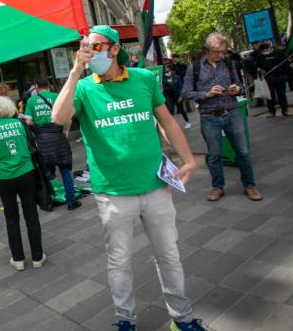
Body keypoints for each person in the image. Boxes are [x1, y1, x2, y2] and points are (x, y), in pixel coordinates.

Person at [52, 25, 206, 331]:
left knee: (169, 256)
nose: (88, 52)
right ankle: (125, 320)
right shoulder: (83, 88)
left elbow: (167, 122)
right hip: (112, 192)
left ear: (113, 48)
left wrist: (188, 160)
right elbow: (58, 118)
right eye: (84, 47)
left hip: (155, 187)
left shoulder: (144, 79)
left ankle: (183, 319)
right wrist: (74, 72)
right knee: (119, 261)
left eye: (95, 46)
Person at [183, 32, 261, 202]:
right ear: (207, 50)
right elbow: (186, 93)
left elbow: (240, 85)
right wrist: (207, 93)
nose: (220, 55)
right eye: (216, 52)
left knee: (243, 151)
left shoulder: (229, 64)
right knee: (214, 154)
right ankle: (218, 187)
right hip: (209, 116)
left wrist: (237, 89)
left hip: (232, 112)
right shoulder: (194, 67)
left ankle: (250, 185)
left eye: (222, 52)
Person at [0, 96, 44, 271]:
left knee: (11, 218)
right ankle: (38, 257)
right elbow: (33, 147)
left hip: (4, 178)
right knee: (31, 214)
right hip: (26, 173)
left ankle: (18, 260)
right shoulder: (21, 124)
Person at [24, 77, 79, 210]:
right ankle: (72, 202)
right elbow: (69, 116)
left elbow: (28, 122)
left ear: (36, 86)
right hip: (58, 137)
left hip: (42, 140)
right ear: (49, 85)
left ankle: (48, 203)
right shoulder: (57, 96)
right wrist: (65, 131)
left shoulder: (31, 101)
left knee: (45, 174)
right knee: (65, 170)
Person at [256, 42, 292, 117]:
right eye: (263, 50)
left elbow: (285, 64)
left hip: (279, 78)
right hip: (268, 79)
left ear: (270, 48)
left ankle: (285, 110)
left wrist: (283, 75)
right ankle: (272, 112)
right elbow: (259, 66)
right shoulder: (260, 57)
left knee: (282, 95)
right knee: (270, 96)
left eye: (267, 49)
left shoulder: (279, 54)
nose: (266, 51)